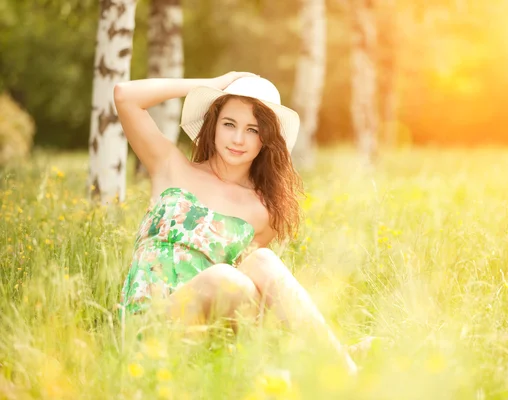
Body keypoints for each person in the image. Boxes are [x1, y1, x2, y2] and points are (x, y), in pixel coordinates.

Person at [113, 72, 358, 374]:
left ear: (265, 140)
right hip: (152, 323)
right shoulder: (170, 166)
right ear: (213, 125)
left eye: (252, 130)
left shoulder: (262, 210)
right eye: (229, 124)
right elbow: (125, 95)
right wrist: (212, 85)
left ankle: (340, 366)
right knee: (225, 278)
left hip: (208, 332)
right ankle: (330, 359)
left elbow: (253, 298)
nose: (238, 139)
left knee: (261, 262)